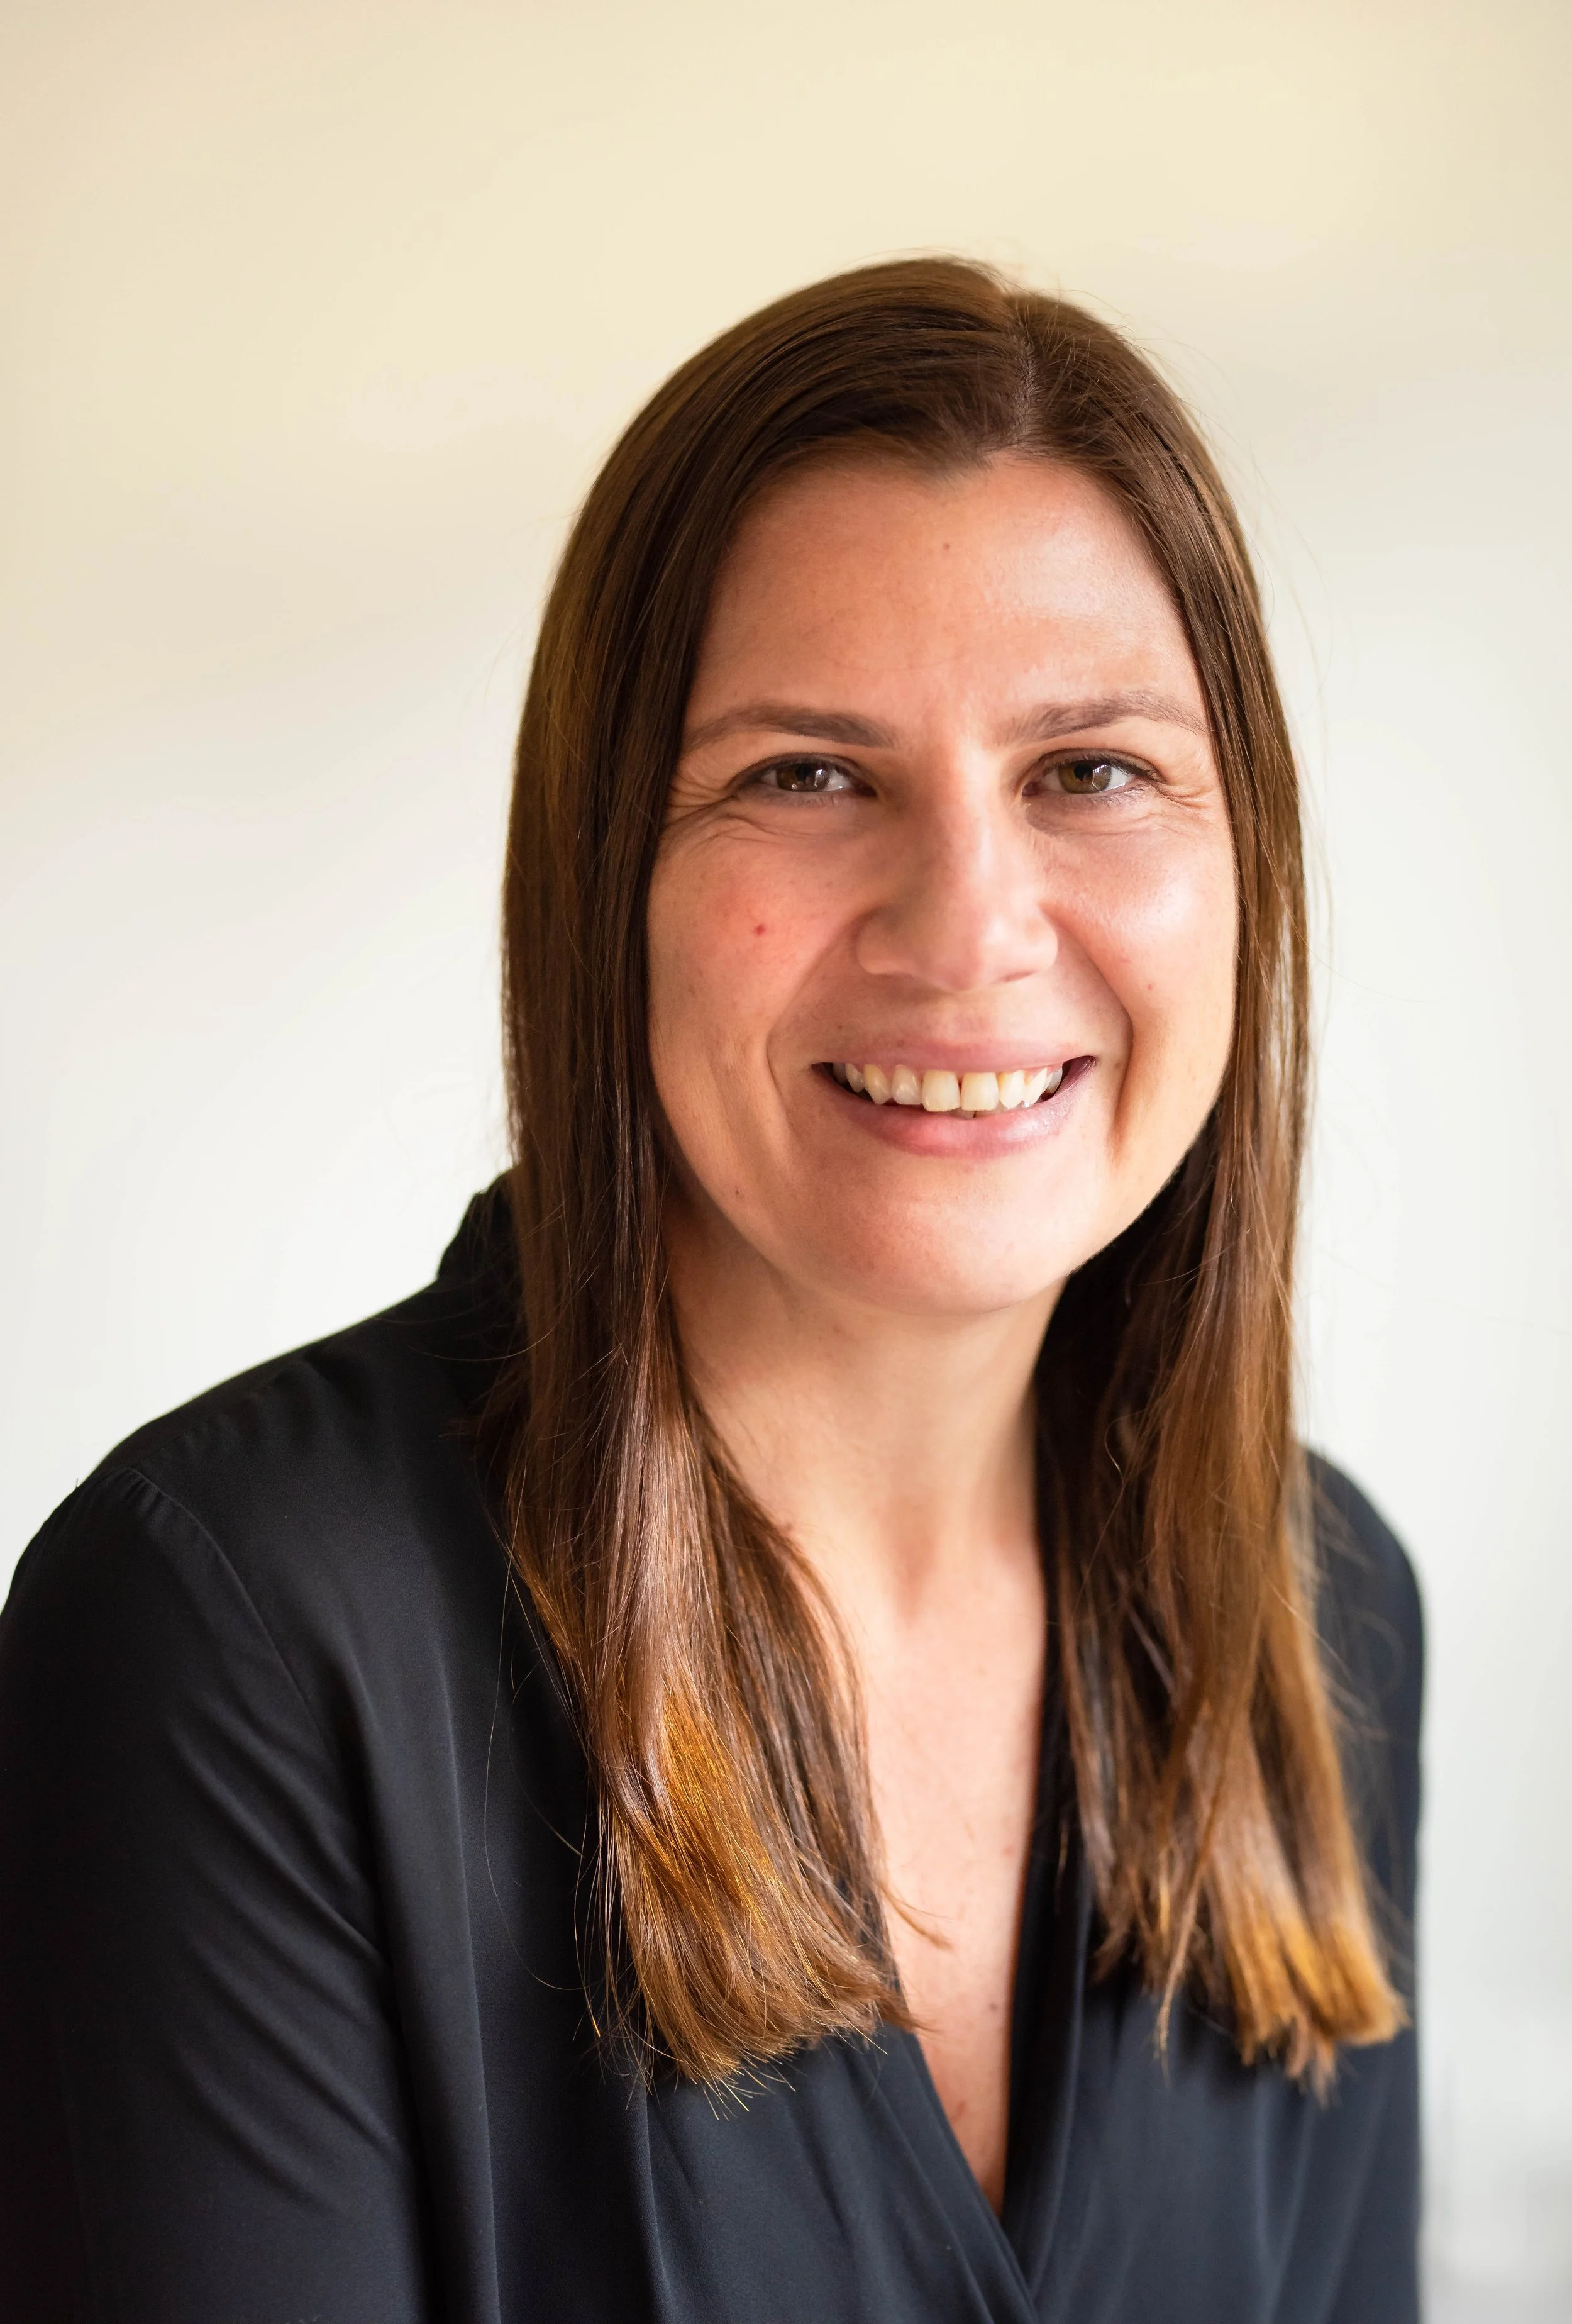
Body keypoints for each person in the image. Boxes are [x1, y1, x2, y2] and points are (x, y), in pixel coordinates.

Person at [0, 259, 1422, 2323]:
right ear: (612, 883)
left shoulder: (1327, 1609)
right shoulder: (234, 1631)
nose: (969, 925)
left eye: (1088, 770)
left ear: (1245, 861)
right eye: (807, 774)